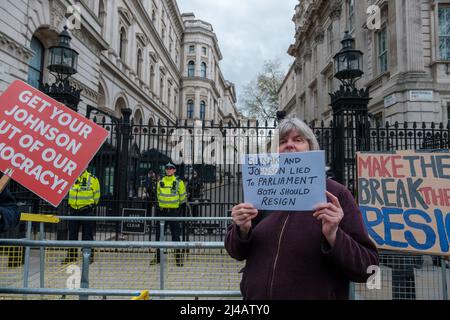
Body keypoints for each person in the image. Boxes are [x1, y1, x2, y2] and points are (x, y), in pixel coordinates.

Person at [225, 117, 379, 300]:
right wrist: (242, 229)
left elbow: (368, 268)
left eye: (298, 140)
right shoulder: (261, 191)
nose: (289, 145)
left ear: (311, 148)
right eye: (282, 142)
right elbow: (235, 252)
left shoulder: (336, 194)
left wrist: (334, 236)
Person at [151, 162, 186, 266]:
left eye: (171, 168)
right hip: (162, 212)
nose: (169, 170)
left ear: (174, 170)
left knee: (176, 236)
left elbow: (182, 197)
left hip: (174, 212)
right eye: (167, 168)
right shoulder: (160, 181)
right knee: (159, 236)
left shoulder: (179, 182)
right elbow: (157, 195)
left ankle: (178, 259)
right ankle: (157, 258)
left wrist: (178, 208)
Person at [62, 169, 100, 265]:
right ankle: (71, 256)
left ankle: (88, 256)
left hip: (87, 211)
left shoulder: (92, 179)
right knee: (72, 235)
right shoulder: (71, 177)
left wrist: (90, 206)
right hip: (74, 210)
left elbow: (97, 195)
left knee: (87, 235)